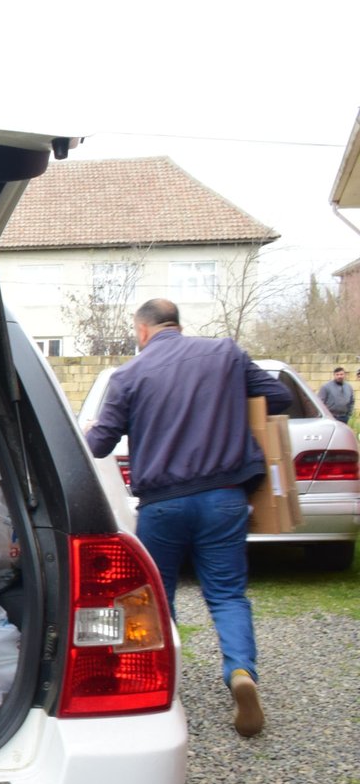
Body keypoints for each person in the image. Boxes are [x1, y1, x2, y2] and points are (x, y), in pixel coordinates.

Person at [85, 298, 290, 738]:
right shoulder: (226, 353)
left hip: (163, 504)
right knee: (227, 594)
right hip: (224, 499)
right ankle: (241, 672)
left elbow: (100, 444)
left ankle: (157, 679)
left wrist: (83, 433)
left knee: (152, 596)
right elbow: (279, 396)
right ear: (176, 323)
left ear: (142, 330)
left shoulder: (129, 375)